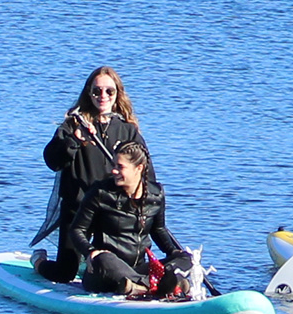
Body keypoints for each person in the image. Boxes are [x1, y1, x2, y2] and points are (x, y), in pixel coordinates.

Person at [40, 65, 150, 282]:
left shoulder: (127, 130)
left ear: (117, 94)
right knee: (65, 273)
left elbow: (146, 172)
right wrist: (75, 140)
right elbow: (52, 161)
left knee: (124, 268)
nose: (103, 96)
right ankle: (39, 261)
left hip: (114, 211)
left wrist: (148, 203)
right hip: (78, 209)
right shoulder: (73, 124)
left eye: (109, 91)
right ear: (89, 93)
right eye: (97, 90)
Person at [64, 141, 197, 299]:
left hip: (136, 270)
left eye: (120, 167)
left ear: (139, 168)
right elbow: (77, 230)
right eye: (114, 165)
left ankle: (142, 286)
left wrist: (172, 252)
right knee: (104, 258)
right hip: (104, 272)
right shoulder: (100, 192)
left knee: (186, 258)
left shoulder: (156, 194)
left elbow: (158, 229)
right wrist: (90, 251)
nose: (114, 171)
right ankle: (162, 286)